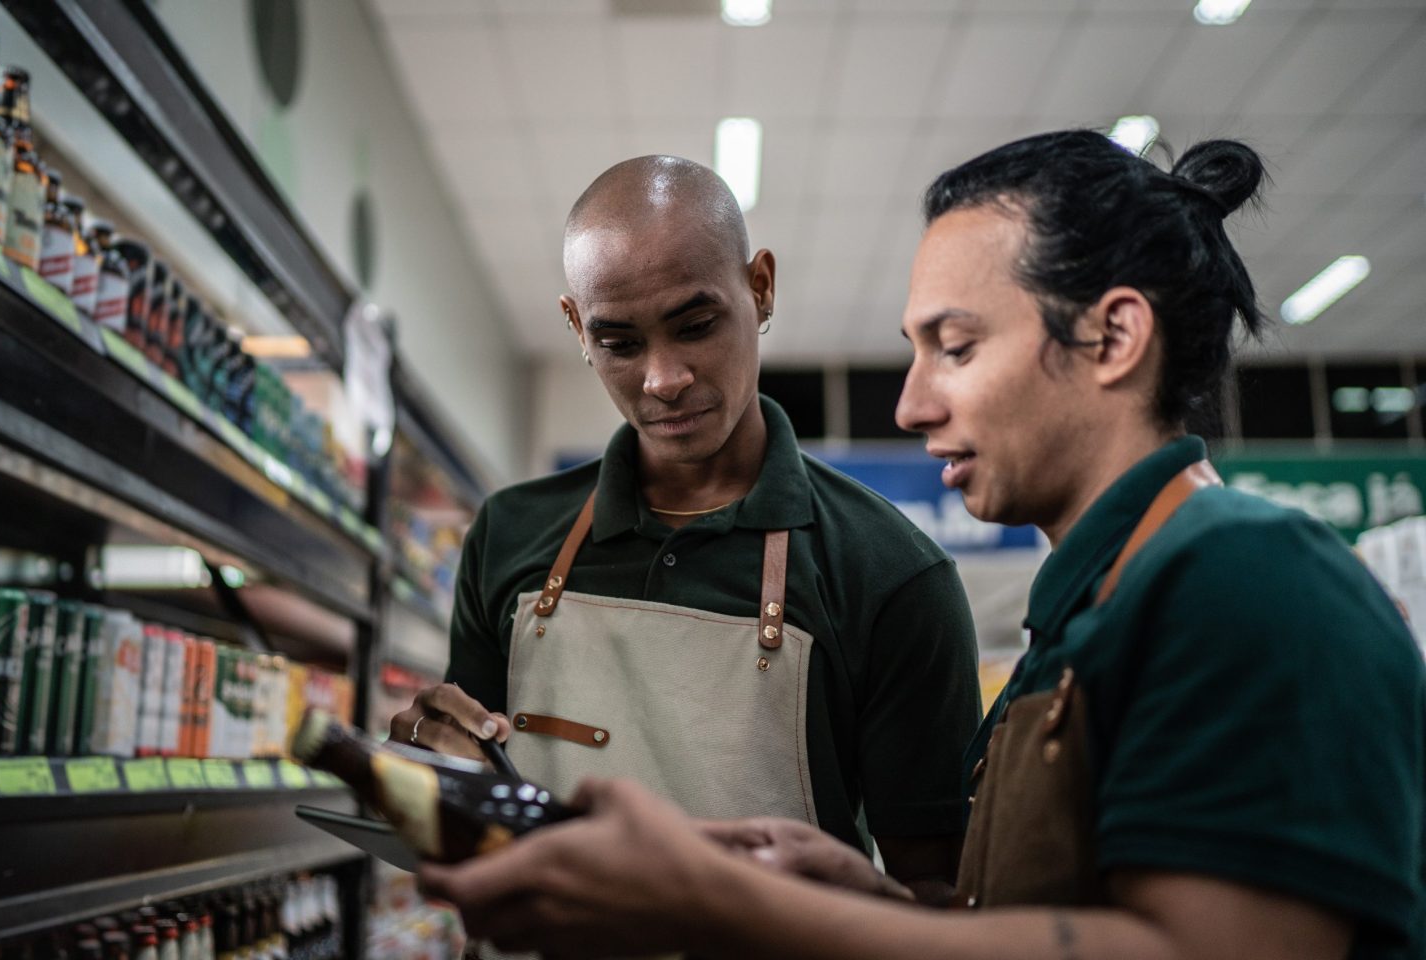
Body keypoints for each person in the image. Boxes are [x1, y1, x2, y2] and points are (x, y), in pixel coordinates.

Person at [416, 132, 1426, 960]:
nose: (912, 401)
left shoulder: (1248, 578)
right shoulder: (1088, 618)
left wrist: (729, 905)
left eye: (958, 346)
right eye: (915, 350)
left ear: (1113, 340)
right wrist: (871, 896)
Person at [391, 155, 982, 899]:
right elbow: (475, 809)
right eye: (619, 342)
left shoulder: (891, 574)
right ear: (576, 325)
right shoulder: (508, 536)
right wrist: (430, 774)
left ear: (760, 287)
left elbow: (937, 892)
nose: (663, 378)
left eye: (695, 325)